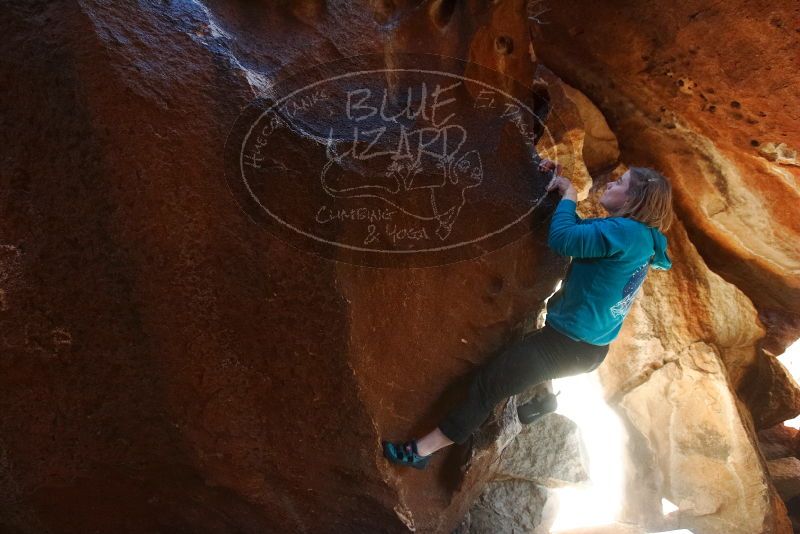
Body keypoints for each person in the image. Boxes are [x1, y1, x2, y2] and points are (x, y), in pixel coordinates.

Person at [381, 158, 674, 469]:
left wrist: (571, 196)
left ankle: (420, 452)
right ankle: (540, 402)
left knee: (489, 384)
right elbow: (580, 230)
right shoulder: (641, 239)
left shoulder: (625, 233)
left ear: (633, 199)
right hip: (583, 347)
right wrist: (557, 192)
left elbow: (563, 239)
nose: (611, 184)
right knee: (516, 365)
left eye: (620, 184)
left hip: (567, 345)